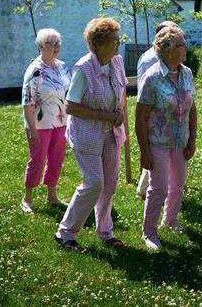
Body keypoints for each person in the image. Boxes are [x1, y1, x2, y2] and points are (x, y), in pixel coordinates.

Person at [54, 18, 127, 250]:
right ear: (97, 45)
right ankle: (65, 232)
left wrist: (120, 113)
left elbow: (121, 93)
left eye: (118, 39)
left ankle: (105, 232)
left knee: (110, 184)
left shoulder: (117, 62)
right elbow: (70, 106)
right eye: (114, 40)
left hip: (111, 134)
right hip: (87, 135)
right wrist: (102, 115)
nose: (118, 44)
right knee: (94, 182)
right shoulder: (84, 68)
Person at [136, 26, 197, 250]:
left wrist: (192, 139)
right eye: (182, 45)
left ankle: (170, 220)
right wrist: (144, 151)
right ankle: (149, 232)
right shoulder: (152, 78)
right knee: (158, 187)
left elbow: (193, 108)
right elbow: (140, 117)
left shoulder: (187, 73)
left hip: (181, 140)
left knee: (178, 185)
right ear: (168, 50)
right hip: (157, 142)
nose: (186, 49)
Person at [21, 28, 71, 213]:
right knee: (37, 160)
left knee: (56, 159)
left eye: (58, 42)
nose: (56, 46)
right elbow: (27, 102)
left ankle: (52, 195)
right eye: (51, 43)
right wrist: (32, 129)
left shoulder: (63, 67)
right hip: (40, 124)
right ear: (41, 46)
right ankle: (27, 198)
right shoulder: (34, 70)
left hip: (61, 122)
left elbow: (69, 94)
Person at [135, 20, 179, 199]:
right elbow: (146, 91)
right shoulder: (151, 59)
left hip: (168, 113)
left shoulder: (167, 57)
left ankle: (150, 189)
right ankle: (147, 190)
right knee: (156, 154)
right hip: (156, 115)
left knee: (164, 156)